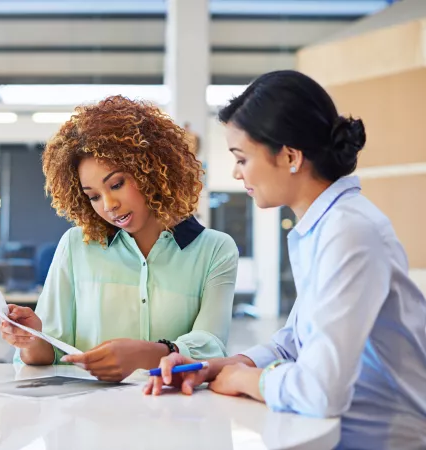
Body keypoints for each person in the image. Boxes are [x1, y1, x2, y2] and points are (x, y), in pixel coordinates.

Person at [144, 70, 426, 449]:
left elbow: (321, 391)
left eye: (242, 158)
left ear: (290, 156)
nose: (236, 172)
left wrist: (246, 380)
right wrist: (217, 368)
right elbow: (292, 344)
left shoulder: (349, 232)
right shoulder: (322, 227)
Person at [0, 95, 239, 382]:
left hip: (175, 413)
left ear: (152, 171)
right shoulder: (76, 246)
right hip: (91, 418)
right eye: (94, 196)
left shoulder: (215, 250)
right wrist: (32, 337)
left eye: (117, 184)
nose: (108, 205)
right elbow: (50, 356)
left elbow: (212, 346)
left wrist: (146, 353)